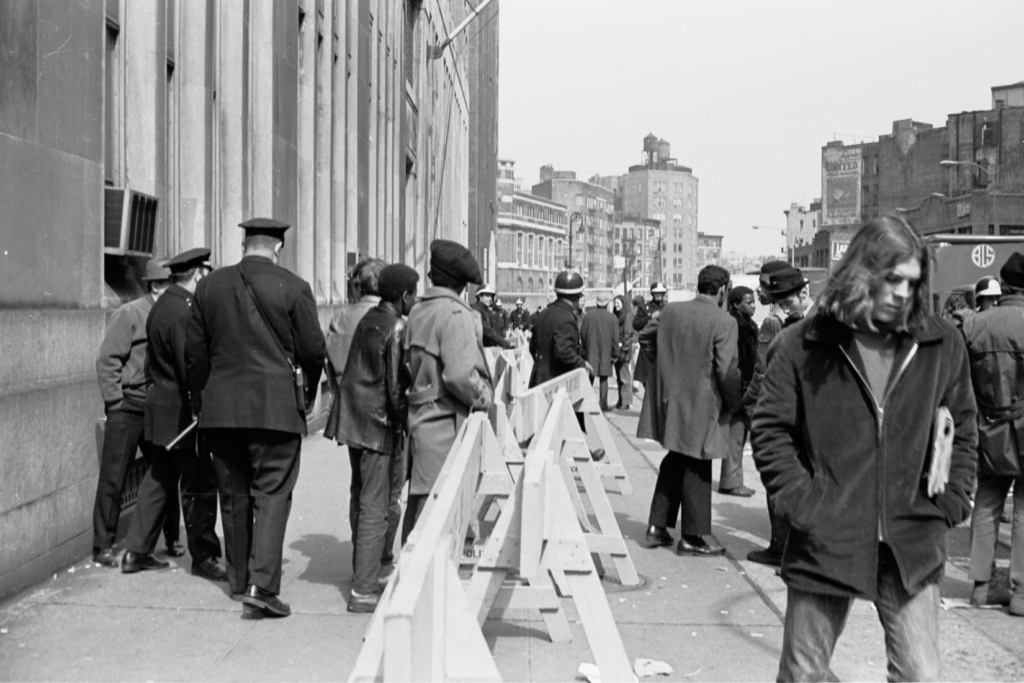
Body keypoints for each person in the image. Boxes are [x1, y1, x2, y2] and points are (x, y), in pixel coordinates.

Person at [752, 215, 977, 681]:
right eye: (891, 279)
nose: (902, 292)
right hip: (827, 535)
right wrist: (804, 505)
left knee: (921, 674)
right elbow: (771, 431)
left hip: (912, 539)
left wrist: (950, 502)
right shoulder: (802, 345)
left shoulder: (941, 343)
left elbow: (964, 426)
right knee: (804, 672)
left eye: (912, 282)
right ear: (862, 273)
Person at [185, 218, 327, 618]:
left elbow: (195, 353)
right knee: (272, 493)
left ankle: (237, 580)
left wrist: (201, 402)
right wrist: (309, 391)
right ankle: (262, 587)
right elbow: (313, 350)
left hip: (222, 409)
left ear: (245, 245)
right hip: (276, 406)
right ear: (277, 248)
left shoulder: (209, 286)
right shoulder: (294, 287)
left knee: (233, 495)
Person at [121, 248, 226, 580]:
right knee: (201, 480)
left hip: (160, 409)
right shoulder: (185, 311)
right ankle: (205, 557)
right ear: (196, 275)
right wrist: (202, 407)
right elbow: (190, 366)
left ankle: (135, 552)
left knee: (159, 478)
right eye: (205, 274)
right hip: (182, 414)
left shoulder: (161, 306)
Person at [640, 265, 740, 556]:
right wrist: (734, 403)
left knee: (676, 459)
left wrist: (664, 370)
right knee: (698, 461)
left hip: (673, 398)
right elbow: (726, 371)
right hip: (703, 402)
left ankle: (658, 526)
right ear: (723, 290)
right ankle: (693, 537)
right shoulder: (724, 321)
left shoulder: (671, 311)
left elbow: (646, 337)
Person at [337, 264, 419, 613]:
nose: (416, 301)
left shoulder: (369, 318)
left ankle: (368, 568)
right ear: (404, 296)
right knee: (376, 504)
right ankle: (364, 588)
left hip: (354, 419)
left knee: (361, 495)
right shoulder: (398, 326)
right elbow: (396, 389)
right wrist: (408, 424)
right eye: (414, 295)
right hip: (378, 423)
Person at [92, 258, 181, 567]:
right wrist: (116, 404)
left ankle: (171, 539)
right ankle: (103, 545)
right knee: (114, 478)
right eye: (169, 285)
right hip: (128, 408)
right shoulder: (130, 314)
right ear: (155, 286)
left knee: (164, 474)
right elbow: (107, 360)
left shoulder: (172, 314)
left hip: (157, 409)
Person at [403, 240, 494, 541]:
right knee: (439, 517)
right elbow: (459, 376)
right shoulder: (455, 314)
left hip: (420, 418)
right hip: (445, 423)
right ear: (463, 284)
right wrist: (485, 397)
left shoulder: (418, 311)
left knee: (420, 511)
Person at [963, 252, 1024, 613]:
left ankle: (982, 587)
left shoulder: (974, 325)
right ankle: (1020, 593)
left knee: (986, 506)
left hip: (988, 429)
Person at [742, 260, 800, 567]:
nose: (760, 290)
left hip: (774, 411)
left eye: (764, 285)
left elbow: (763, 372)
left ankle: (779, 547)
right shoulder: (795, 318)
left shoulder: (772, 323)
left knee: (775, 479)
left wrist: (747, 400)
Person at [324, 258, 387, 441]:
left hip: (350, 410)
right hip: (382, 413)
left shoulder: (340, 318)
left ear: (358, 287)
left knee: (358, 468)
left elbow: (330, 363)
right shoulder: (393, 318)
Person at [719, 286, 757, 497]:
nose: (753, 305)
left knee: (739, 437)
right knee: (735, 436)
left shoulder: (749, 325)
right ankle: (731, 481)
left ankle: (733, 479)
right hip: (738, 387)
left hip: (746, 386)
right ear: (735, 304)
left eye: (753, 301)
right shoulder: (734, 324)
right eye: (748, 302)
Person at [528, 270, 593, 387]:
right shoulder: (567, 319)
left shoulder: (542, 314)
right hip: (555, 381)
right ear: (577, 296)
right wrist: (582, 363)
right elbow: (563, 352)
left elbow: (532, 346)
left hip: (537, 378)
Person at [580, 291, 620, 412]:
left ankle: (586, 400)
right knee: (604, 378)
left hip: (591, 350)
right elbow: (615, 338)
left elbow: (582, 334)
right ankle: (603, 404)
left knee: (590, 376)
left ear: (596, 303)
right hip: (606, 352)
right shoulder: (613, 318)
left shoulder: (588, 316)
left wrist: (586, 348)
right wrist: (615, 353)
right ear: (607, 303)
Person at [613, 294, 636, 410]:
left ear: (623, 303)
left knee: (624, 377)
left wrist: (624, 350)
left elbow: (628, 334)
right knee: (618, 377)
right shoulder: (616, 315)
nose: (616, 305)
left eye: (618, 303)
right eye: (615, 303)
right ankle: (621, 400)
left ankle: (626, 402)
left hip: (624, 350)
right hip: (617, 350)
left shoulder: (627, 316)